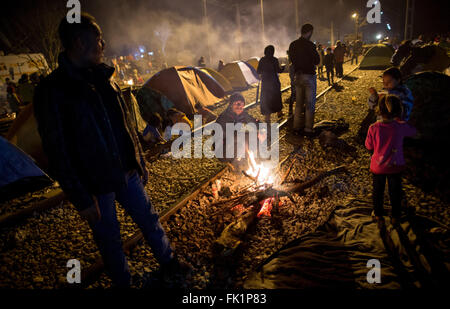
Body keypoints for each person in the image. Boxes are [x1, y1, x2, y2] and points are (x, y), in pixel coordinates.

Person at [33, 13, 189, 287]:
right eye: (99, 39)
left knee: (150, 220)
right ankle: (123, 283)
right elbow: (57, 151)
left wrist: (139, 162)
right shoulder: (53, 90)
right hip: (95, 185)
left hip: (127, 173)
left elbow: (126, 126)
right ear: (80, 42)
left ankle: (169, 262)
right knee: (110, 240)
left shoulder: (106, 79)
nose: (103, 44)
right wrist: (80, 197)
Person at [365, 95, 417, 225]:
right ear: (398, 111)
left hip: (378, 166)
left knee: (378, 191)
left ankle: (378, 215)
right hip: (396, 165)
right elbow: (413, 132)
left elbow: (368, 146)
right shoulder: (401, 127)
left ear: (379, 110)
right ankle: (395, 217)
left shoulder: (373, 128)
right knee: (395, 191)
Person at [216, 92, 266, 167]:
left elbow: (255, 122)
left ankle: (249, 159)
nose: (239, 107)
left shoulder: (242, 114)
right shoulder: (224, 118)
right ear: (231, 105)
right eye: (237, 104)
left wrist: (262, 130)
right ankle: (234, 162)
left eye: (242, 105)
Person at [288, 23, 320, 136]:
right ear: (310, 32)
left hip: (298, 76)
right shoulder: (310, 45)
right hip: (309, 76)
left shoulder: (293, 45)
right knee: (310, 103)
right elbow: (317, 61)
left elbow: (291, 60)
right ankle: (308, 128)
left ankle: (296, 127)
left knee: (299, 104)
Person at [257, 45, 283, 124]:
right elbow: (278, 70)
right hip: (274, 82)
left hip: (265, 83)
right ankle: (279, 113)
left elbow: (258, 71)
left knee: (266, 99)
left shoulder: (262, 60)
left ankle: (267, 118)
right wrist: (283, 68)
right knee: (276, 97)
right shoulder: (274, 60)